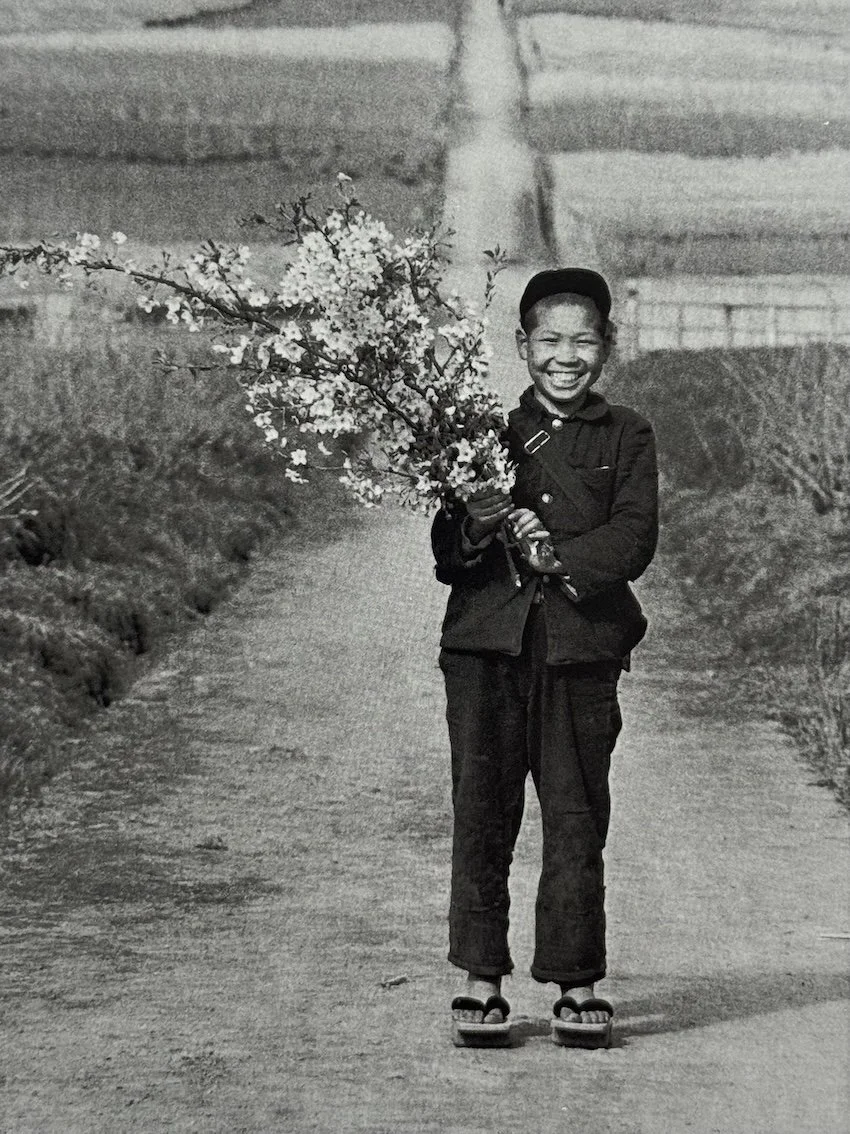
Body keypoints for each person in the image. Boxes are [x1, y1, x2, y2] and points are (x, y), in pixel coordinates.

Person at [431, 267, 658, 1048]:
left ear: (607, 347)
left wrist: (553, 554)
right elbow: (449, 559)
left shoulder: (628, 434)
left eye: (584, 340)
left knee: (575, 815)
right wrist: (480, 524)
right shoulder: (482, 436)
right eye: (550, 340)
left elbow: (634, 537)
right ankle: (481, 977)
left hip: (579, 654)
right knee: (482, 812)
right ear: (522, 346)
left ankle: (576, 980)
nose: (567, 356)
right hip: (484, 651)